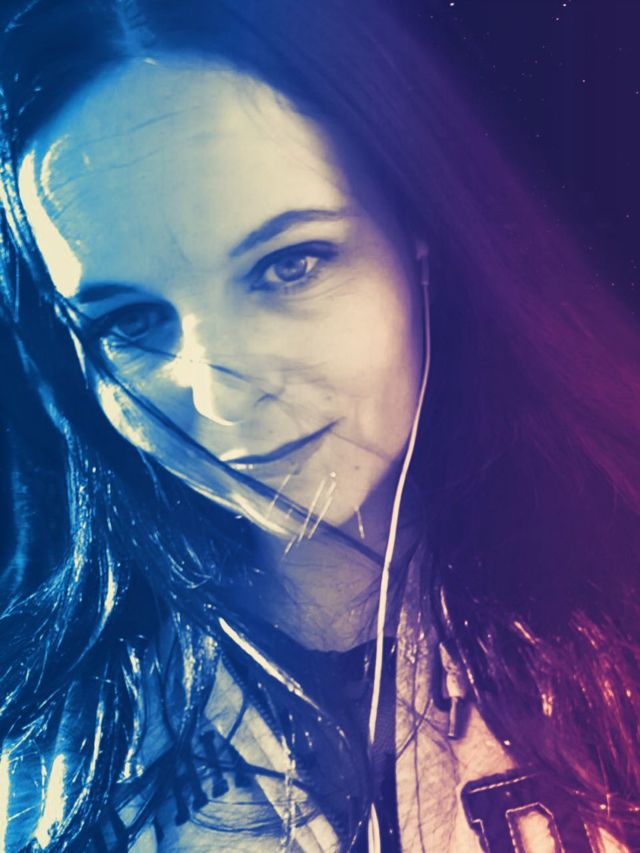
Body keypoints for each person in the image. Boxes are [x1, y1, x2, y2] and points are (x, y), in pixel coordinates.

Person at [0, 0, 639, 850]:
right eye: (130, 321)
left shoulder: (617, 594)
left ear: (416, 223)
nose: (221, 401)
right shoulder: (52, 747)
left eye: (290, 265)